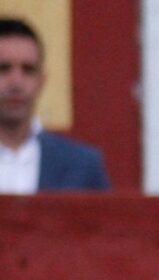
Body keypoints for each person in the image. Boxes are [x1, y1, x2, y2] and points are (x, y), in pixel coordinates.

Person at [0, 17, 108, 194]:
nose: (16, 83)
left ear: (41, 81)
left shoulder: (82, 165)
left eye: (28, 70)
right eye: (3, 69)